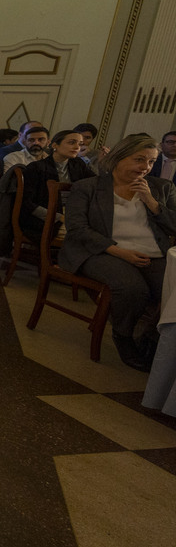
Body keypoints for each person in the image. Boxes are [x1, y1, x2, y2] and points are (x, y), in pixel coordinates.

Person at [60, 134, 176, 372]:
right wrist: (120, 252)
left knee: (174, 286)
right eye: (139, 159)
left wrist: (152, 203)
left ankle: (151, 339)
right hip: (101, 251)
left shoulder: (161, 188)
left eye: (152, 162)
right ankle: (123, 337)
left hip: (152, 252)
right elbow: (78, 229)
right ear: (119, 157)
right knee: (133, 287)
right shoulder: (88, 187)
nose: (145, 167)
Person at [18, 129, 95, 236]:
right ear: (55, 145)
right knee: (83, 235)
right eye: (72, 142)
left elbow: (96, 183)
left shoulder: (77, 164)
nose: (77, 147)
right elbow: (26, 203)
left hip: (72, 213)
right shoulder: (36, 167)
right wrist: (58, 217)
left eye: (80, 144)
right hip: (44, 217)